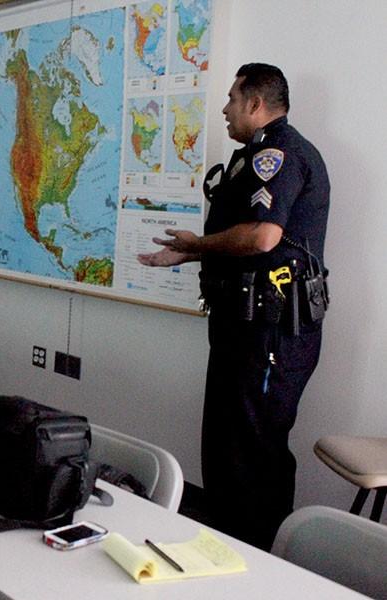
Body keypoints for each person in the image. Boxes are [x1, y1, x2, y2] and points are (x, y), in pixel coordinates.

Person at [138, 63, 330, 550]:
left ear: (255, 104)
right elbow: (237, 237)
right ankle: (221, 549)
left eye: (231, 98)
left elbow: (264, 237)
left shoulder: (280, 154)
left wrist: (196, 246)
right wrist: (187, 252)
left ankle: (261, 560)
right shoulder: (252, 156)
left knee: (253, 448)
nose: (224, 108)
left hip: (272, 332)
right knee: (227, 444)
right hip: (243, 326)